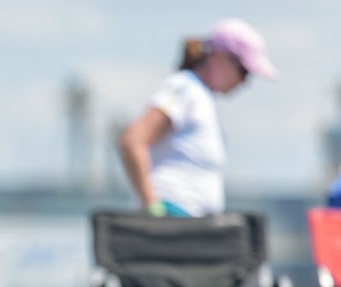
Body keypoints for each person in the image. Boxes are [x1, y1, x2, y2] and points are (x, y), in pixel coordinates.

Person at [118, 18, 277, 218]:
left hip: (190, 227)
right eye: (244, 71)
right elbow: (133, 141)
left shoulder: (199, 95)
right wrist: (153, 208)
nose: (245, 81)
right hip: (170, 224)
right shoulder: (184, 89)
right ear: (219, 56)